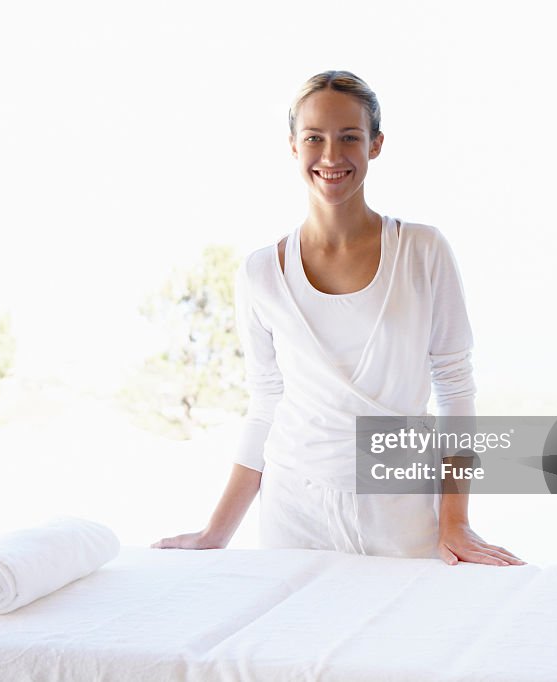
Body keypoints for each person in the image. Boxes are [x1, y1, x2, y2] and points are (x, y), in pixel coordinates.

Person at [152, 70, 523, 566]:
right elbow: (266, 406)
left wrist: (455, 521)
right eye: (314, 138)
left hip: (401, 510)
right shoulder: (261, 272)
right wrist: (216, 533)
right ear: (292, 146)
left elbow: (454, 390)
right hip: (294, 509)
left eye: (350, 137)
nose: (331, 156)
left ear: (376, 145)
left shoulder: (422, 250)